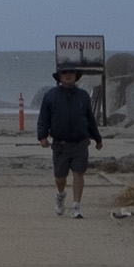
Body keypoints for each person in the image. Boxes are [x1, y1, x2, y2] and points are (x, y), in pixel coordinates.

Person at [37, 66, 104, 217]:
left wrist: (97, 138)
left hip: (80, 143)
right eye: (64, 73)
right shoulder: (50, 96)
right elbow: (43, 119)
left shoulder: (83, 96)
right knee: (60, 177)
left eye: (71, 73)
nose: (68, 76)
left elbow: (90, 119)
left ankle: (76, 206)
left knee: (78, 173)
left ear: (76, 76)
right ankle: (61, 195)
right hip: (60, 144)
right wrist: (42, 137)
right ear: (60, 77)